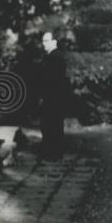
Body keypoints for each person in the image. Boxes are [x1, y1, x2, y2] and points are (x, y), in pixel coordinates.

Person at [39, 31, 69, 159]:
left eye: (46, 41)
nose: (44, 44)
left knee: (52, 125)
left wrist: (44, 96)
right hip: (52, 97)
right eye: (43, 41)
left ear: (54, 42)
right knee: (51, 125)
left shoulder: (55, 57)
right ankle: (53, 152)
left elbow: (51, 80)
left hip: (53, 97)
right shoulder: (52, 57)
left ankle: (53, 153)